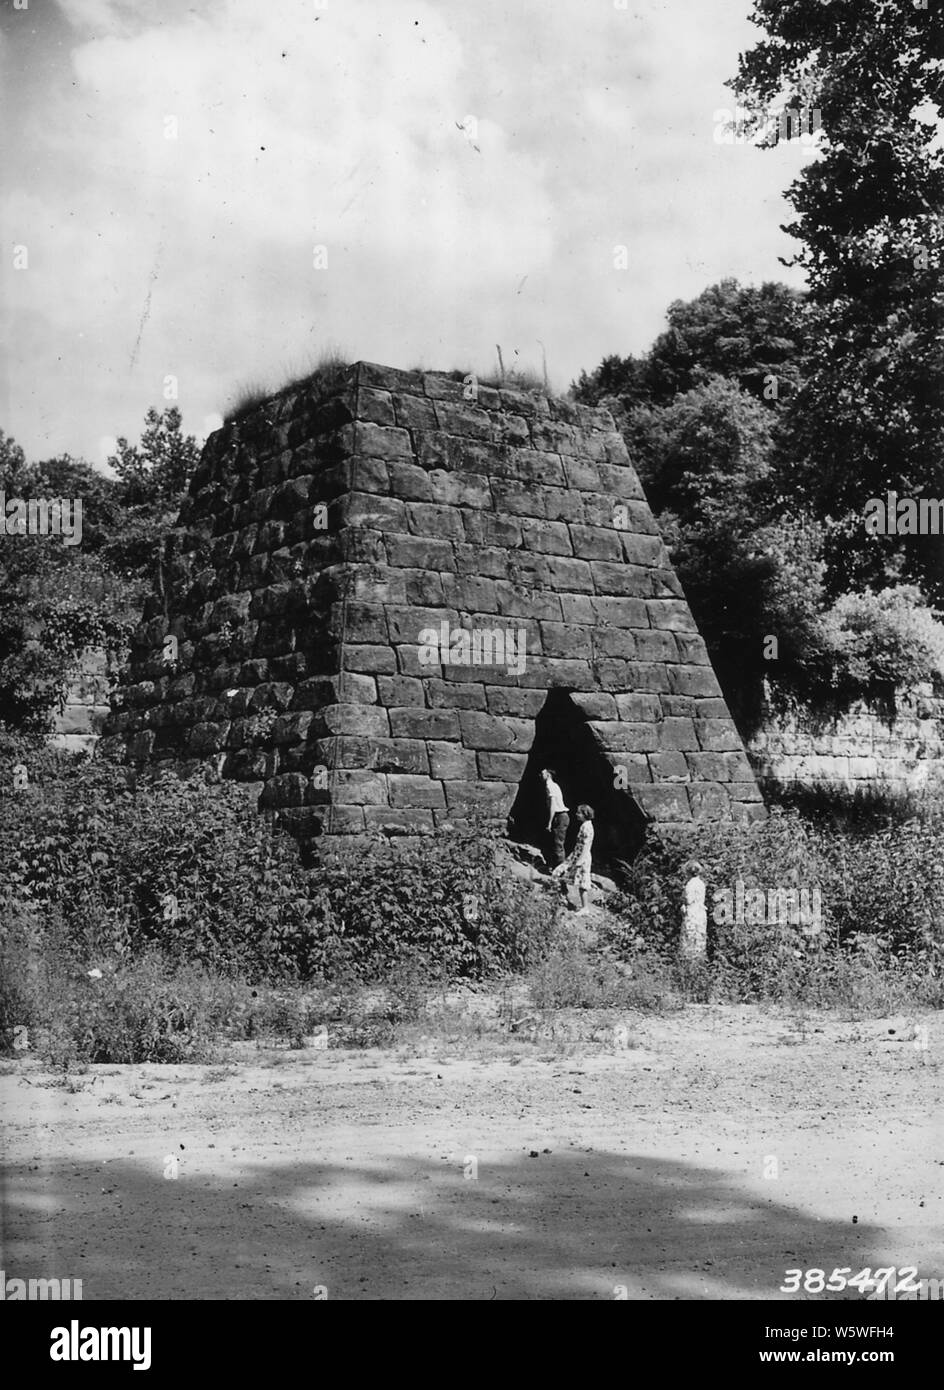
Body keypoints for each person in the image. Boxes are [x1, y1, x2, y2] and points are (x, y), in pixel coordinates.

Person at [552, 803, 595, 914]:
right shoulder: (585, 825)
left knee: (582, 884)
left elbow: (586, 845)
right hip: (576, 856)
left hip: (581, 858)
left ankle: (585, 908)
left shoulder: (587, 827)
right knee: (559, 872)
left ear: (585, 814)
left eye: (579, 813)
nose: (576, 815)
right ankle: (562, 896)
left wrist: (580, 861)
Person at [540, 767, 569, 870]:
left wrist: (549, 822)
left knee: (558, 845)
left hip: (559, 816)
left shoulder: (550, 786)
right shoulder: (554, 785)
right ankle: (553, 866)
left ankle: (560, 871)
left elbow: (553, 806)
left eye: (542, 774)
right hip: (560, 816)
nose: (540, 775)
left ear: (548, 775)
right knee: (554, 843)